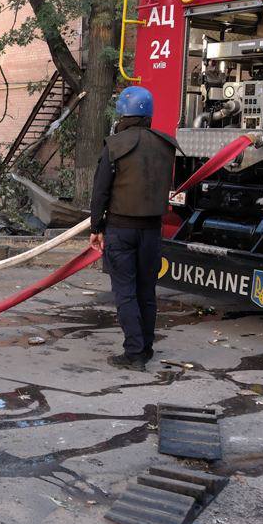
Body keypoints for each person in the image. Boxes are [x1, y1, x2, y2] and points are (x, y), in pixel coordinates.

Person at [88, 86, 178, 368]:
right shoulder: (166, 144)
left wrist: (96, 227)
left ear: (123, 113)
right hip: (152, 231)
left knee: (125, 291)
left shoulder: (114, 145)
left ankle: (134, 353)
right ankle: (146, 347)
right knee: (146, 291)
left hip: (121, 231)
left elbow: (100, 191)